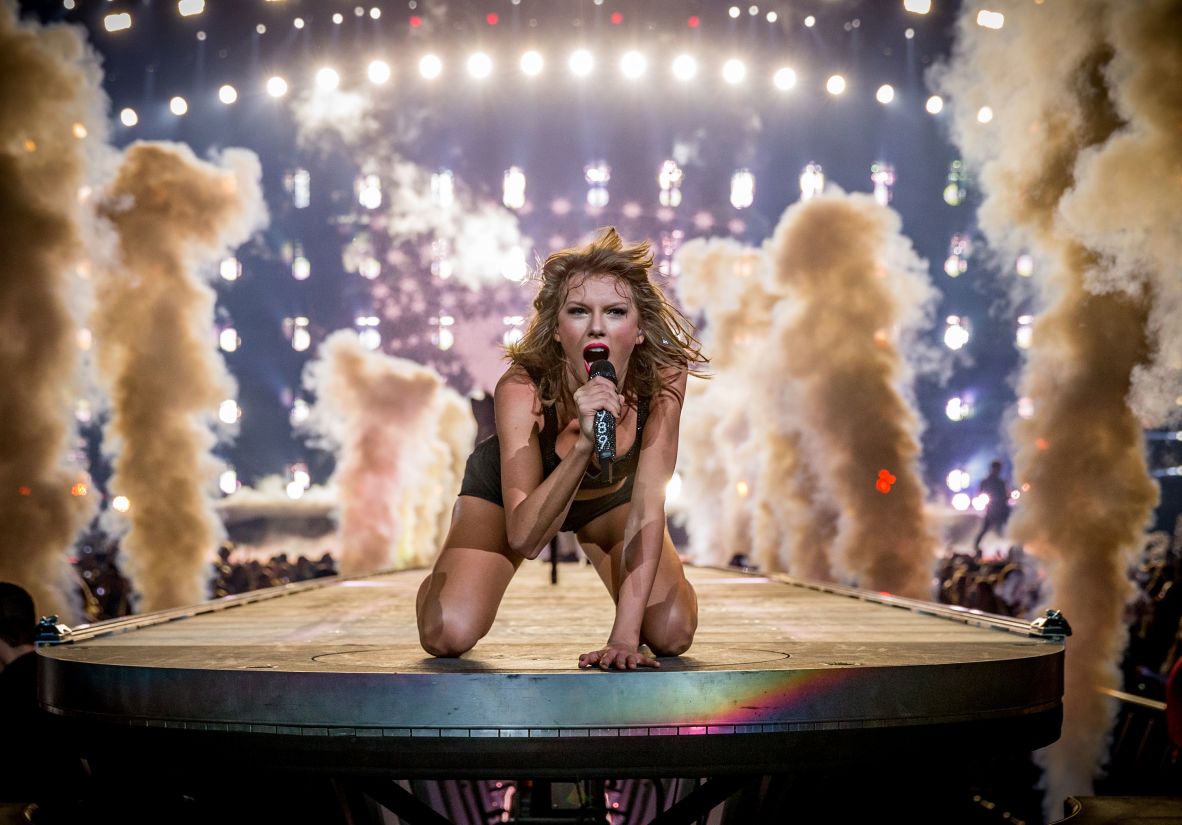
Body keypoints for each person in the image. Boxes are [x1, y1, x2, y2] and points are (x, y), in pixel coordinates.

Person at [416, 228, 708, 671]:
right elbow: (526, 538)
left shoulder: (665, 379)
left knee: (671, 634)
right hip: (514, 500)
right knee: (447, 633)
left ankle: (665, 594)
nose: (596, 325)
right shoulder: (522, 388)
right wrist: (584, 445)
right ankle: (450, 574)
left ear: (640, 329)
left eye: (614, 311)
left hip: (611, 501)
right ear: (556, 328)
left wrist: (623, 639)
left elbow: (648, 506)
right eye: (578, 311)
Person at [973, 460, 1011, 556]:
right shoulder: (987, 482)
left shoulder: (1000, 482)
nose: (998, 470)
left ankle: (1010, 549)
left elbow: (1005, 496)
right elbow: (980, 494)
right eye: (997, 468)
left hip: (1001, 510)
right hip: (993, 510)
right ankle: (976, 547)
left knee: (1007, 529)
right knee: (986, 529)